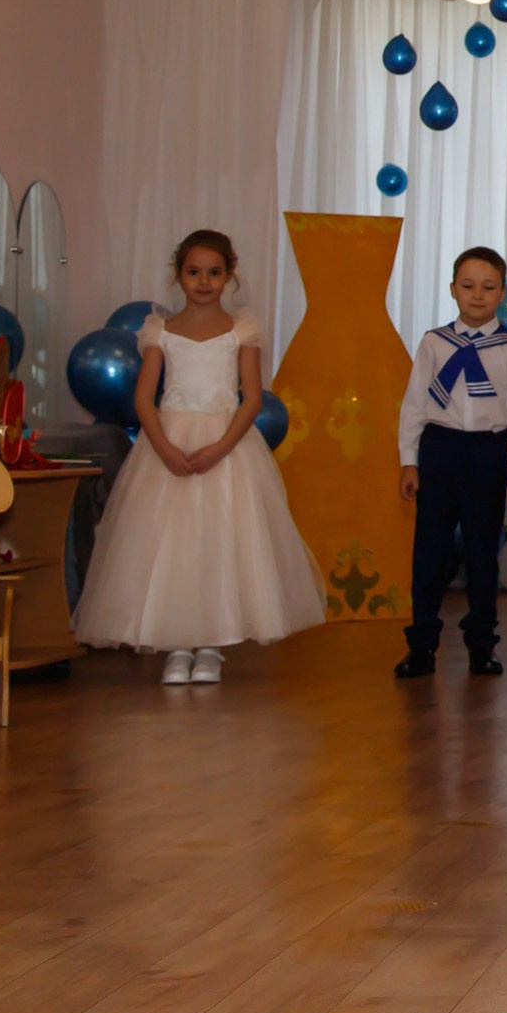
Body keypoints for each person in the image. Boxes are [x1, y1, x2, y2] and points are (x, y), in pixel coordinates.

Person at [73, 230, 324, 682]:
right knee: (170, 546)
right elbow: (144, 399)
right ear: (178, 275)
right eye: (193, 272)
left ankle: (211, 644)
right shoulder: (161, 331)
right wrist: (165, 448)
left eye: (214, 272)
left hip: (225, 447)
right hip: (168, 443)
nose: (204, 282)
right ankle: (178, 644)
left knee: (220, 543)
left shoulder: (241, 330)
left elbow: (250, 399)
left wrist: (220, 448)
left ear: (229, 275)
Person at [393, 246, 507, 679]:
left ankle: (481, 645)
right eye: (469, 286)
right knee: (430, 553)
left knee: (481, 552)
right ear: (453, 289)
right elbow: (413, 405)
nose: (478, 295)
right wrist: (409, 460)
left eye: (489, 287)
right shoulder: (434, 342)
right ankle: (421, 645)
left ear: (501, 292)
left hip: (486, 454)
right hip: (439, 451)